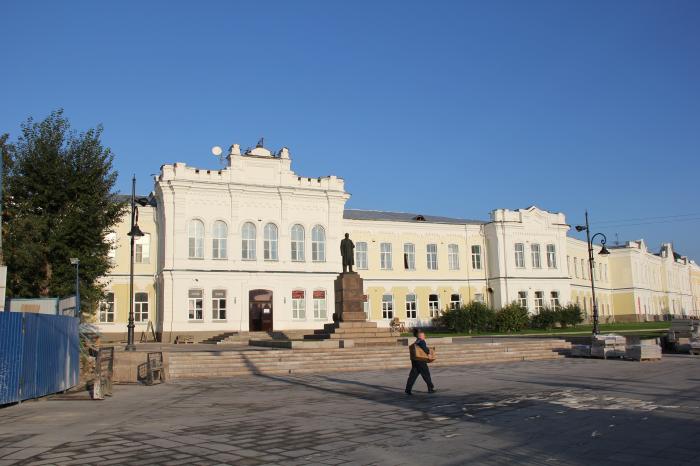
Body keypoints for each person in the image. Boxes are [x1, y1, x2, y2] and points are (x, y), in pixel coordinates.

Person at [405, 328, 435, 395]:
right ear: (420, 336)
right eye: (424, 336)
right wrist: (429, 353)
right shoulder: (421, 341)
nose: (425, 337)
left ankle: (408, 389)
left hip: (415, 361)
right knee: (426, 374)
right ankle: (430, 388)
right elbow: (424, 348)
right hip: (421, 361)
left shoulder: (416, 342)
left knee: (413, 376)